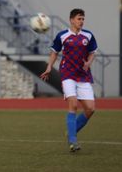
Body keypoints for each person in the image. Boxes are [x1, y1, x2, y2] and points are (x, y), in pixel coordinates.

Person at [40, 8, 98, 153]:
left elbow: (92, 53)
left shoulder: (88, 36)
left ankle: (71, 131)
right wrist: (49, 68)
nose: (81, 21)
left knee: (90, 109)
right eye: (79, 18)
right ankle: (73, 141)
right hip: (68, 74)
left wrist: (88, 63)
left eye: (83, 19)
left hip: (83, 75)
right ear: (71, 20)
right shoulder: (63, 35)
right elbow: (54, 53)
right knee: (73, 104)